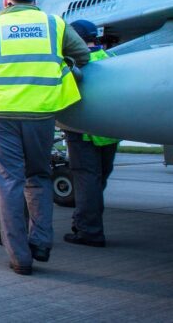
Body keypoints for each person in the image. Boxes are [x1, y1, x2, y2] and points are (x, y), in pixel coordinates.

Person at [0, 0, 90, 275]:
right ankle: (41, 242)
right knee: (39, 177)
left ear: (6, 1)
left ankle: (20, 257)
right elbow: (82, 56)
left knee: (7, 184)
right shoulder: (54, 25)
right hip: (41, 115)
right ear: (33, 0)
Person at [63, 20, 119, 248]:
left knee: (87, 182)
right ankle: (85, 222)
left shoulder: (76, 64)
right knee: (98, 181)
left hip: (84, 133)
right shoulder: (110, 60)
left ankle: (89, 231)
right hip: (111, 132)